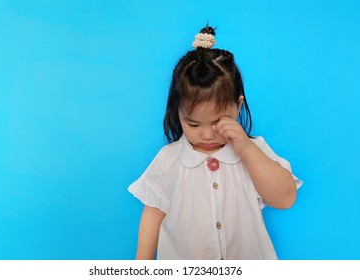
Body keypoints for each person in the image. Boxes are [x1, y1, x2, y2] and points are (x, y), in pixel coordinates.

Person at [128, 25, 302, 260]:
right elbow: (152, 213)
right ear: (178, 112)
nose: (208, 135)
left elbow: (285, 199)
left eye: (219, 121)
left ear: (238, 107)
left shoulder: (254, 151)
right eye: (194, 125)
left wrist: (246, 148)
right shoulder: (169, 159)